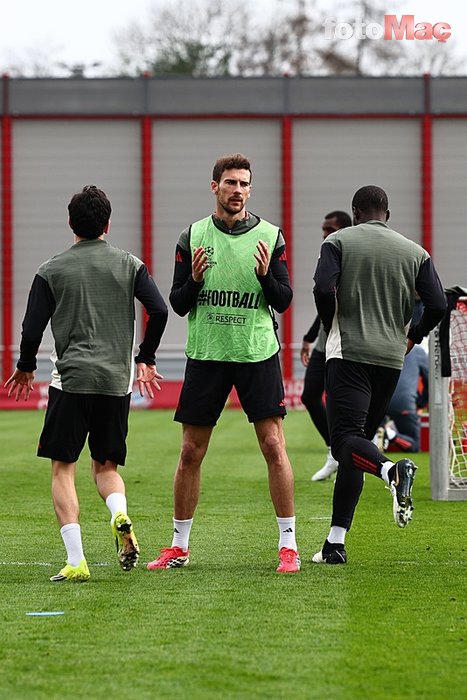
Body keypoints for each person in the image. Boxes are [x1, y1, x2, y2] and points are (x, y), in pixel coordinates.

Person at [4, 185, 168, 582]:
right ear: (107, 224)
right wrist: (145, 357)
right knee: (106, 467)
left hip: (71, 381)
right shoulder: (130, 264)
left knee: (63, 469)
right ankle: (119, 514)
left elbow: (32, 327)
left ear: (70, 223)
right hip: (115, 382)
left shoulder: (51, 270)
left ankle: (77, 560)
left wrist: (25, 366)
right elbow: (159, 310)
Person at [146, 153, 300, 573]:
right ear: (215, 187)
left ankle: (288, 546)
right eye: (230, 183)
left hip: (256, 353)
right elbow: (178, 304)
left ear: (250, 189)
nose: (238, 190)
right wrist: (195, 281)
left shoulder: (270, 235)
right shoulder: (193, 235)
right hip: (208, 354)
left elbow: (284, 299)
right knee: (190, 451)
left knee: (273, 446)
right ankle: (179, 546)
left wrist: (266, 276)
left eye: (244, 184)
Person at [311, 184, 446, 564]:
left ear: (355, 213)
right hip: (390, 358)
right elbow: (437, 303)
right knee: (358, 445)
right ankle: (335, 544)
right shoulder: (415, 252)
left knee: (344, 442)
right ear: (387, 214)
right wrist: (414, 334)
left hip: (349, 353)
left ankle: (391, 471)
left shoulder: (337, 241)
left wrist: (330, 323)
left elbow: (322, 288)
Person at [300, 211, 352, 481]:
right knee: (309, 396)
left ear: (344, 230)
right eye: (323, 229)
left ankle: (350, 456)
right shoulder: (327, 255)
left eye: (329, 229)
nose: (324, 234)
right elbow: (323, 302)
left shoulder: (351, 256)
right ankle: (334, 450)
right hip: (323, 343)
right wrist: (308, 337)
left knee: (338, 402)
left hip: (344, 344)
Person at [377, 344, 429, 453]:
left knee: (370, 431)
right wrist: (420, 404)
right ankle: (391, 435)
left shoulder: (380, 345)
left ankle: (377, 433)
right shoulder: (417, 351)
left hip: (378, 400)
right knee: (414, 445)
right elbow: (430, 381)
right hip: (403, 402)